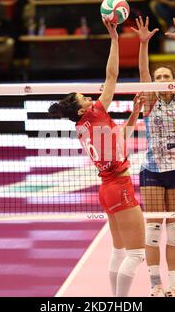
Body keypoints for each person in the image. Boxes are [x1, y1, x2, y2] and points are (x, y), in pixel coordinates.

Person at [48, 19, 146, 297]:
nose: (91, 98)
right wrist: (114, 38)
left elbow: (119, 139)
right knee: (137, 253)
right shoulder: (94, 113)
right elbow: (112, 75)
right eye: (85, 99)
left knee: (118, 250)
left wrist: (135, 113)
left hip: (106, 189)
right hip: (119, 187)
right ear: (81, 110)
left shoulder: (82, 127)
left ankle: (115, 299)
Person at [130, 15, 175, 297]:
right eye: (159, 78)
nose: (163, 80)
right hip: (152, 172)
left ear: (174, 81)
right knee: (153, 231)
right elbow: (143, 73)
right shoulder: (149, 102)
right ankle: (155, 285)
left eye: (168, 77)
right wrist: (143, 44)